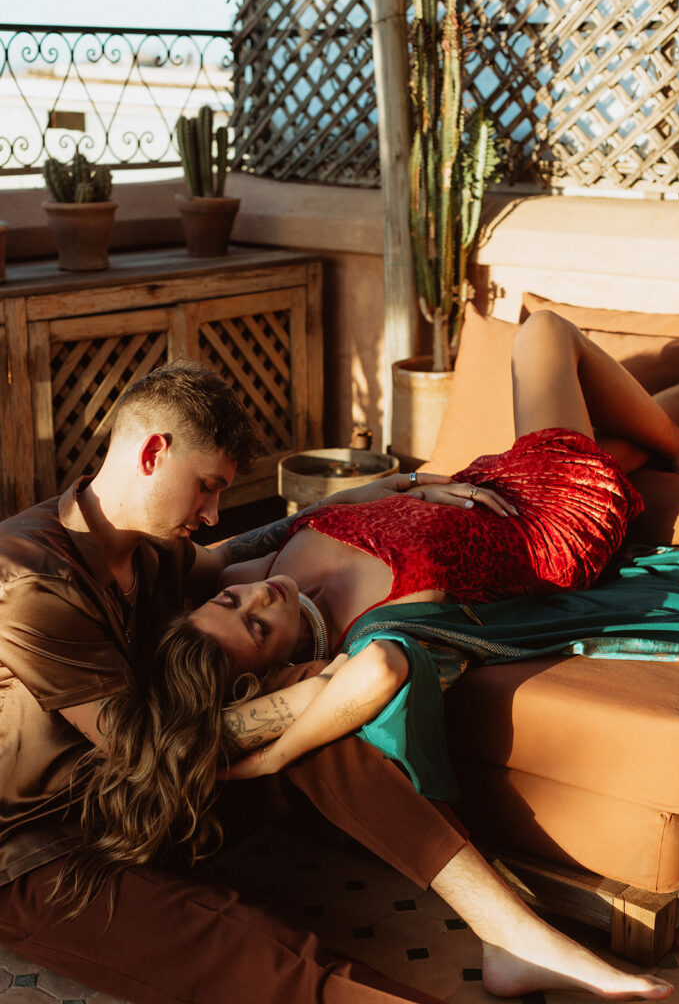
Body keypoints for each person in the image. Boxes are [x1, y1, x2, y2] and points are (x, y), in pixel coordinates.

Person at [66, 313, 679, 999]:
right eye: (260, 627)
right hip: (552, 512)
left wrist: (374, 495)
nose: (261, 599)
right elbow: (382, 670)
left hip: (494, 478)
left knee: (628, 432)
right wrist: (270, 755)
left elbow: (207, 560)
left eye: (231, 604)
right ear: (275, 664)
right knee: (543, 335)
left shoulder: (256, 575)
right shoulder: (363, 631)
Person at [0, 357, 466, 1004]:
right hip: (32, 849)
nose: (214, 511)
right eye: (207, 487)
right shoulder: (29, 580)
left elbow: (224, 555)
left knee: (334, 721)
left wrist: (346, 502)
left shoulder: (147, 547)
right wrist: (308, 697)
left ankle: (510, 934)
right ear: (153, 452)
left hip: (138, 797)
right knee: (255, 956)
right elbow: (136, 743)